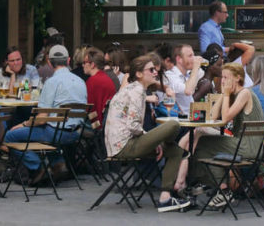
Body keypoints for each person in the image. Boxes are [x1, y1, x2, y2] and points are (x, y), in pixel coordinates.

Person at [104, 55, 190, 212]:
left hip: (121, 143)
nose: (155, 72)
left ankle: (165, 198)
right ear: (139, 74)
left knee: (177, 151)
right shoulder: (137, 91)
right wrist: (155, 142)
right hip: (124, 145)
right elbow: (133, 126)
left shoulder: (136, 89)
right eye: (151, 70)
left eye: (156, 69)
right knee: (173, 124)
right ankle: (167, 144)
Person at [4, 45, 88, 184]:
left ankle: (39, 167)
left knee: (10, 135)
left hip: (57, 133)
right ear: (68, 60)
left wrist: (23, 124)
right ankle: (58, 164)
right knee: (48, 129)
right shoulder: (80, 81)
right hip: (76, 133)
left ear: (49, 62)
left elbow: (42, 119)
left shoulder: (52, 82)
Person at [188, 63, 264, 209]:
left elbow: (224, 118)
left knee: (204, 144)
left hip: (248, 147)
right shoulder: (234, 94)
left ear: (237, 78)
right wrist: (224, 95)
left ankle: (220, 188)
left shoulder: (244, 93)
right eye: (222, 77)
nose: (222, 81)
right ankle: (221, 188)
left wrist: (226, 94)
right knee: (205, 143)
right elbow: (212, 117)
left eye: (226, 77)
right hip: (241, 144)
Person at [164, 44, 204, 114]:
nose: (193, 58)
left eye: (193, 55)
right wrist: (195, 68)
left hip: (190, 118)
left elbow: (202, 73)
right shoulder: (170, 75)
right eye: (190, 56)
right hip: (176, 120)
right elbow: (188, 91)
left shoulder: (188, 73)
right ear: (179, 59)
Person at [83, 47, 117, 124]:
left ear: (92, 65)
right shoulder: (106, 78)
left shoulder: (92, 81)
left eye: (85, 62)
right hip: (107, 123)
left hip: (96, 126)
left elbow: (90, 108)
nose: (83, 65)